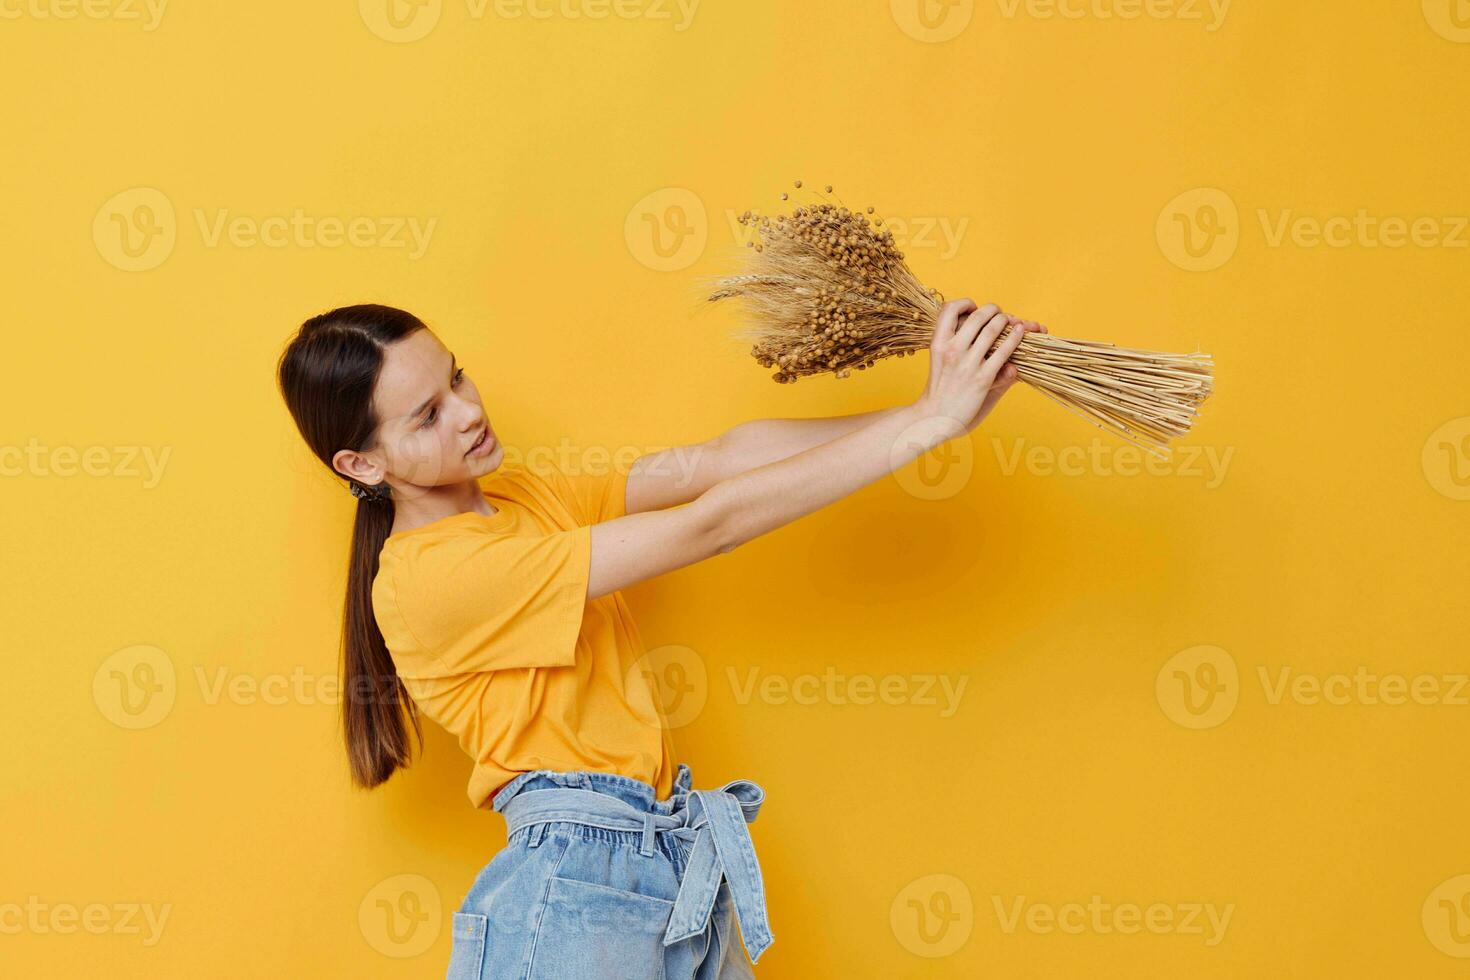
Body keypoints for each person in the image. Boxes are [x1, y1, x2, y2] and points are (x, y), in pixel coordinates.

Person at [275, 299, 1043, 978]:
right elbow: (709, 526)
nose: (468, 411)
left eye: (457, 379)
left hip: (660, 854)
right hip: (577, 874)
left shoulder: (518, 500)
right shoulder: (431, 578)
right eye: (428, 415)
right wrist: (923, 426)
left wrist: (933, 410)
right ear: (362, 463)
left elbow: (714, 464)